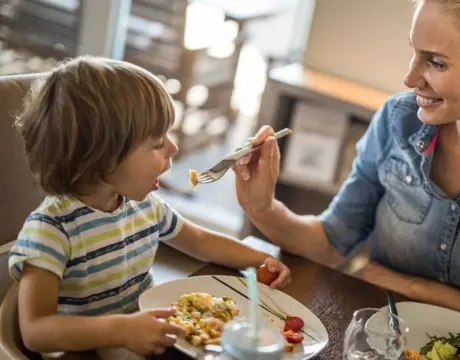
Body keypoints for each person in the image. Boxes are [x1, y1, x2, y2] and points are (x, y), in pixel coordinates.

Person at [233, 0, 460, 356]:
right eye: (415, 52)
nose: (410, 78)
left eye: (436, 62)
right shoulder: (398, 118)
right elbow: (332, 241)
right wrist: (262, 207)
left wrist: (408, 287)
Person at [8, 56, 291, 357]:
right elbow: (35, 331)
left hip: (143, 336)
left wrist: (258, 259)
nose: (174, 148)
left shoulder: (144, 207)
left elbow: (200, 241)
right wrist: (122, 330)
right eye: (157, 143)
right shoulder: (51, 231)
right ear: (102, 159)